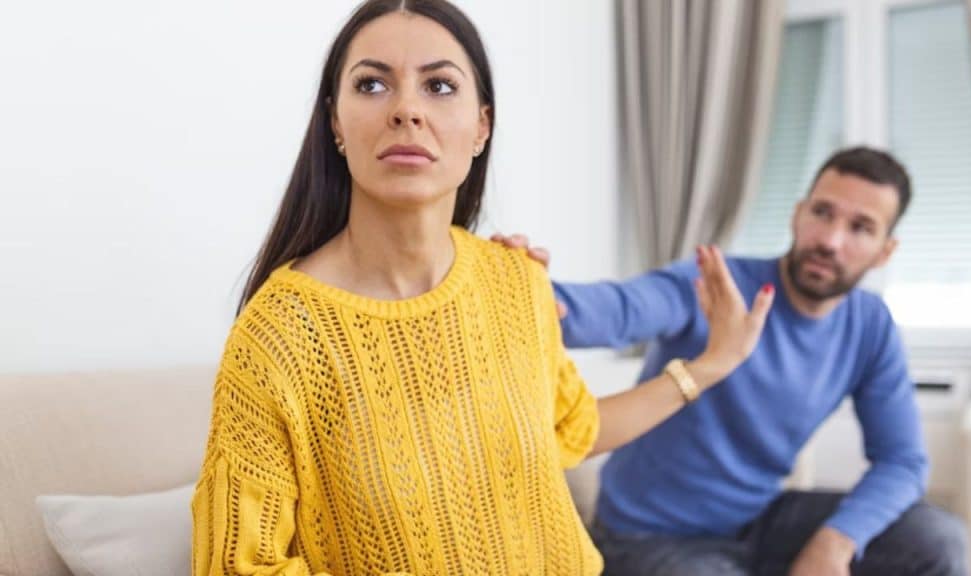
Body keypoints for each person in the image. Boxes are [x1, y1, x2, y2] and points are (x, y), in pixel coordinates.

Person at [190, 1, 773, 574]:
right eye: (372, 85)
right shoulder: (279, 338)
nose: (407, 110)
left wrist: (713, 364)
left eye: (439, 86)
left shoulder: (515, 281)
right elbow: (241, 564)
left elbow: (574, 430)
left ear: (481, 126)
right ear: (336, 124)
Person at [497, 147, 969, 576]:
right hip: (648, 540)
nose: (830, 239)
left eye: (860, 227)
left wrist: (835, 542)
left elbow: (903, 461)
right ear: (797, 214)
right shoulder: (716, 285)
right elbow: (617, 310)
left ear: (886, 251)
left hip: (757, 522)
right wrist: (521, 289)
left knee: (936, 541)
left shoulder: (870, 326)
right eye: (822, 213)